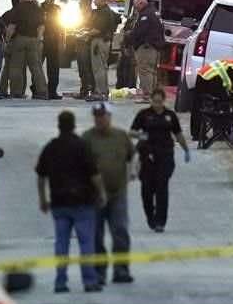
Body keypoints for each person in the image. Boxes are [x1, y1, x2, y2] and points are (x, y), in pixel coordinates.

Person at [36, 110, 108, 293]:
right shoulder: (81, 146)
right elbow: (94, 174)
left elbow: (41, 176)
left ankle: (60, 281)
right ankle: (89, 281)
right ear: (74, 125)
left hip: (60, 202)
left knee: (61, 243)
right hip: (83, 201)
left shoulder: (51, 147)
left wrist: (43, 199)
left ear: (58, 125)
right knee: (86, 243)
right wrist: (101, 193)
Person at [82, 101, 136, 285]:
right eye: (97, 116)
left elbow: (132, 156)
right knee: (96, 234)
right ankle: (99, 271)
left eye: (103, 116)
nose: (100, 120)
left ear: (109, 117)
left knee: (120, 231)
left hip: (118, 193)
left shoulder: (121, 136)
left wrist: (134, 170)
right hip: (95, 195)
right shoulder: (87, 139)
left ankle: (121, 269)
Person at [130, 88, 191, 232]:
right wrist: (140, 136)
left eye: (159, 102)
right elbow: (131, 132)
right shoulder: (144, 115)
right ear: (151, 100)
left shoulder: (170, 116)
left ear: (163, 101)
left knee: (161, 187)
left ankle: (160, 221)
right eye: (154, 101)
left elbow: (178, 134)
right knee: (147, 190)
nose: (157, 104)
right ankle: (150, 216)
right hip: (147, 156)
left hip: (165, 155)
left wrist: (186, 150)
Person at [7, 0, 48, 99]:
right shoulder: (37, 8)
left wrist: (7, 39)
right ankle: (42, 91)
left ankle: (16, 92)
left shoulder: (18, 8)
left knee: (16, 67)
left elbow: (12, 26)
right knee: (36, 67)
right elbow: (42, 26)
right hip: (33, 40)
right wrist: (38, 39)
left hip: (20, 39)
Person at [129, 0, 164, 100]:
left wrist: (131, 35)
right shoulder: (155, 12)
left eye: (136, 7)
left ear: (141, 3)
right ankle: (153, 96)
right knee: (152, 72)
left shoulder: (146, 14)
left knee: (145, 70)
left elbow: (140, 31)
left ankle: (147, 95)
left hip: (147, 47)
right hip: (155, 47)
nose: (136, 9)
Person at [88, 0, 117, 101]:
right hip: (104, 41)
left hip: (99, 41)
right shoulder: (105, 11)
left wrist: (84, 34)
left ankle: (99, 92)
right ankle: (104, 91)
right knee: (103, 68)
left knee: (98, 68)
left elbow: (97, 29)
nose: (94, 1)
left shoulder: (103, 12)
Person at [40, 0, 63, 100]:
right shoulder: (39, 8)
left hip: (54, 41)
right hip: (42, 40)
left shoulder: (58, 9)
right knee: (38, 67)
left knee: (54, 68)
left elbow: (62, 26)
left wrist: (63, 41)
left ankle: (52, 91)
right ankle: (38, 90)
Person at [0, 0, 19, 99]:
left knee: (6, 68)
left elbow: (0, 27)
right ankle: (14, 92)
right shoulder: (19, 14)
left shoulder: (6, 14)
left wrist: (4, 39)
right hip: (16, 42)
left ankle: (2, 91)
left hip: (7, 43)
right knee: (16, 68)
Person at [75, 0, 95, 98]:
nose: (79, 3)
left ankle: (91, 91)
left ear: (87, 2)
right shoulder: (81, 14)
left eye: (81, 1)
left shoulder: (93, 14)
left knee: (88, 68)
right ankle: (83, 90)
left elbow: (93, 28)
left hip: (87, 44)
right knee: (82, 69)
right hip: (79, 44)